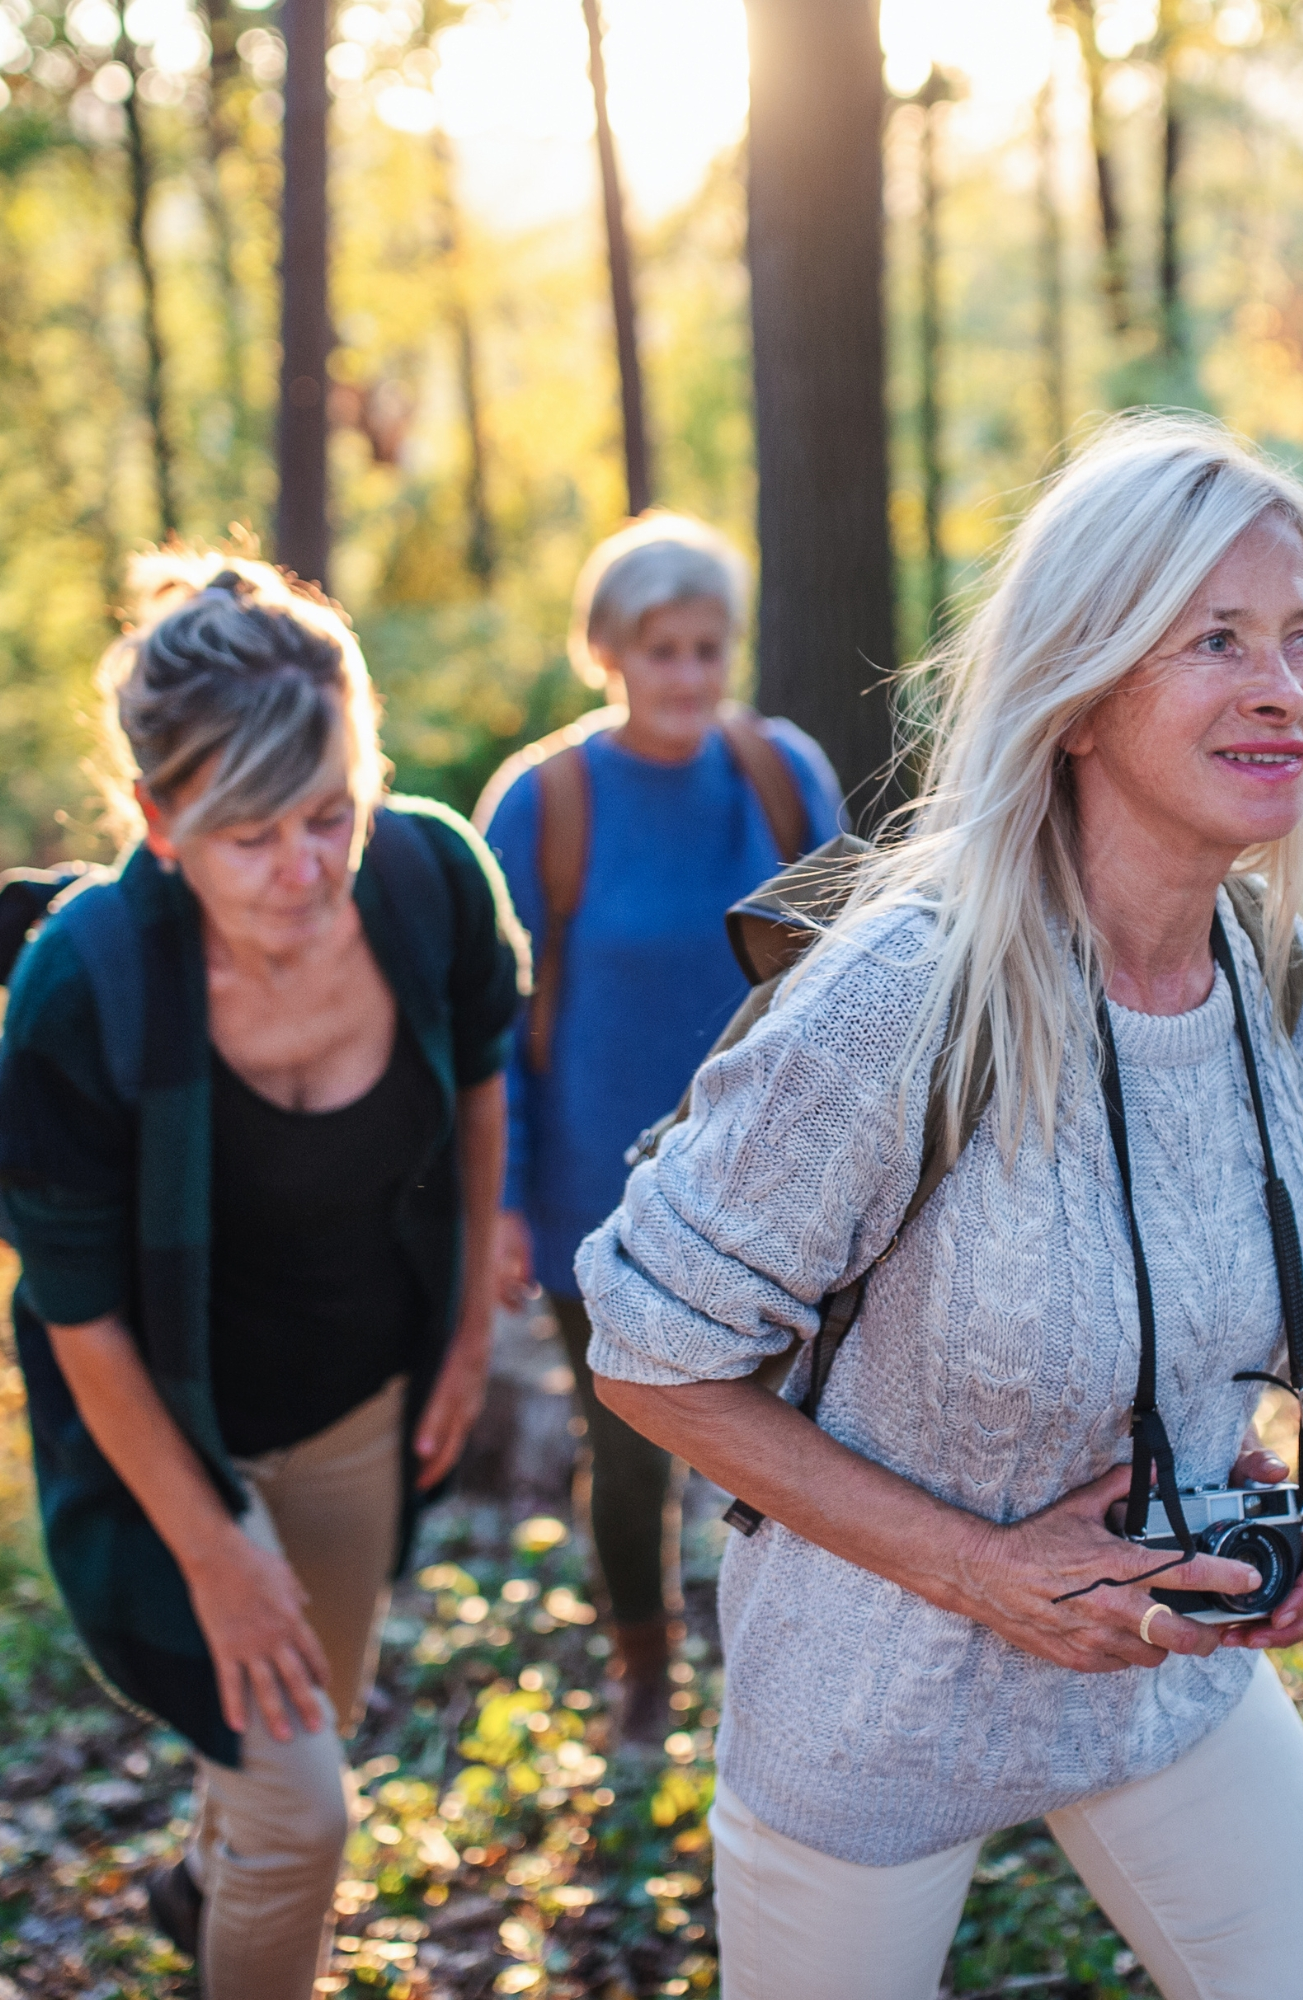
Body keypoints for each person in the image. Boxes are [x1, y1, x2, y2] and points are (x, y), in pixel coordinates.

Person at [577, 417, 1303, 2000]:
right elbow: (639, 1346)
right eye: (1212, 640)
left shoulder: (1259, 969)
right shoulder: (905, 996)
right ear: (1083, 693)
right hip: (870, 1717)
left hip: (1158, 1672)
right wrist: (983, 1569)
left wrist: (1249, 1502)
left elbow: (1173, 1289)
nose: (1281, 687)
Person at [0, 553, 523, 2000]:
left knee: (302, 1721)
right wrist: (218, 1550)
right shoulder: (85, 985)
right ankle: (244, 1901)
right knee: (303, 1807)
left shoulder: (429, 884)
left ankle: (203, 1892)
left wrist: (466, 1325)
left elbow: (476, 1092)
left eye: (331, 812)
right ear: (158, 824)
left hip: (358, 1400)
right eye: (252, 836)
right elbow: (75, 1312)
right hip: (164, 1433)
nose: (305, 870)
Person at [476, 513, 842, 1744]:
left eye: (706, 648)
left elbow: (854, 979)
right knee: (632, 1448)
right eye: (661, 650)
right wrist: (503, 1198)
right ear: (610, 653)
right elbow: (493, 1022)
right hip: (601, 1192)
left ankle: (781, 1678)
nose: (686, 675)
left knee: (792, 1448)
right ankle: (644, 1669)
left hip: (774, 1180)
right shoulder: (543, 804)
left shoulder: (782, 776)